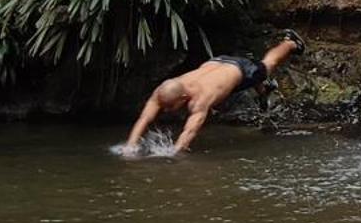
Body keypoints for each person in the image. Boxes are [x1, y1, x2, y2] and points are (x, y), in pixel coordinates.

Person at [120, 33, 305, 157]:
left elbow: (189, 132)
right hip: (217, 62)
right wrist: (130, 146)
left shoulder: (201, 100)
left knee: (267, 64)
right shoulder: (165, 89)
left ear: (184, 98)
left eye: (170, 107)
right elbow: (144, 118)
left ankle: (290, 42)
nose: (166, 110)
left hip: (241, 69)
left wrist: (173, 156)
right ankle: (264, 91)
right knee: (240, 86)